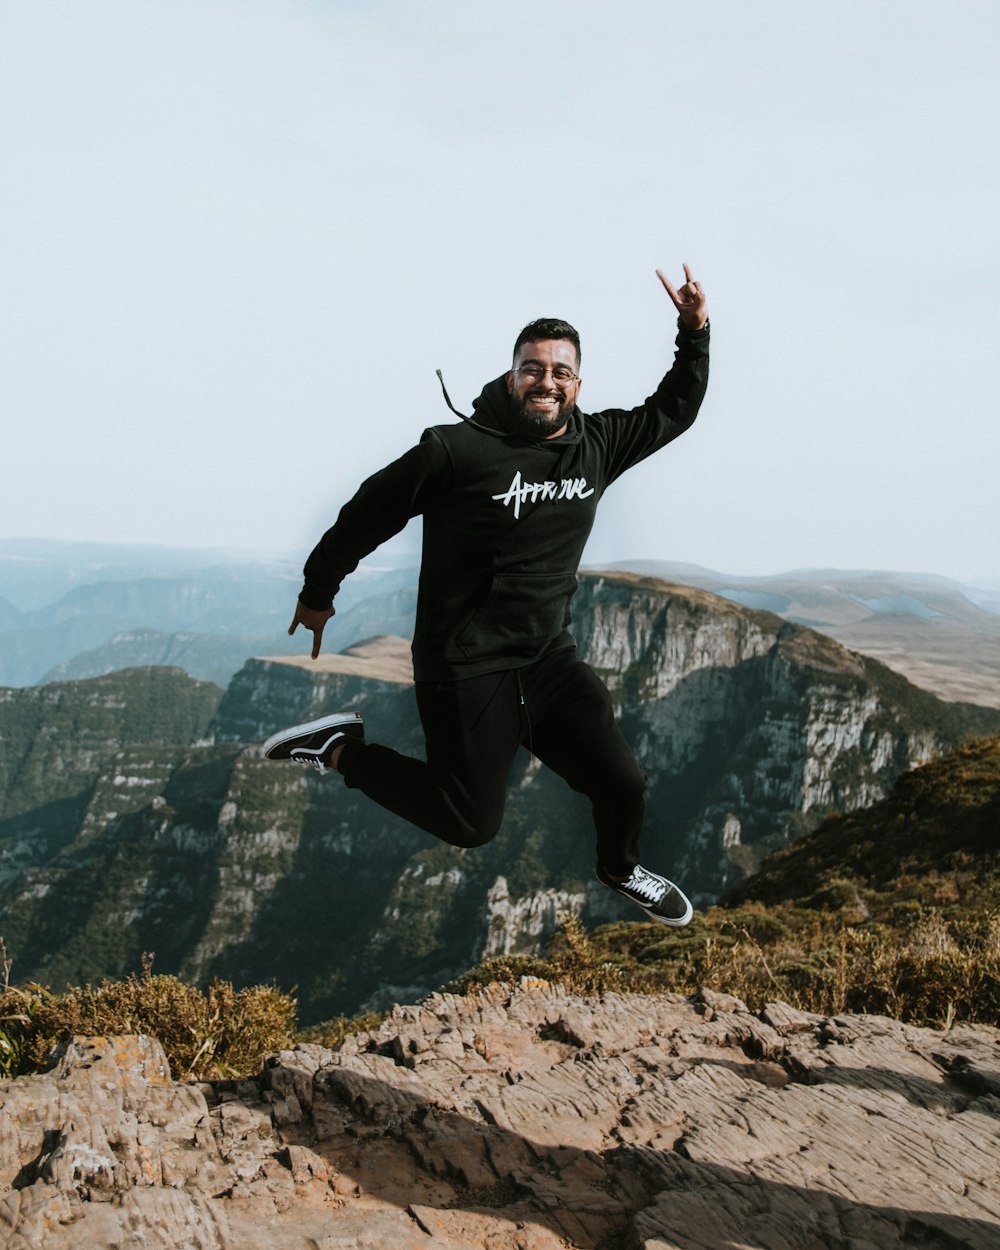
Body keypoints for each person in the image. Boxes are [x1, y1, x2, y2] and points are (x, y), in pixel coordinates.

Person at [263, 264, 709, 925]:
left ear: (577, 385)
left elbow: (675, 408)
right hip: (465, 666)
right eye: (533, 368)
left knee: (623, 782)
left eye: (560, 371)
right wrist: (319, 589)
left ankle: (621, 869)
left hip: (547, 660)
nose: (546, 381)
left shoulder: (599, 444)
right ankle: (338, 749)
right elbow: (369, 511)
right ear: (511, 376)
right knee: (469, 822)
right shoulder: (457, 452)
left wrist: (694, 330)